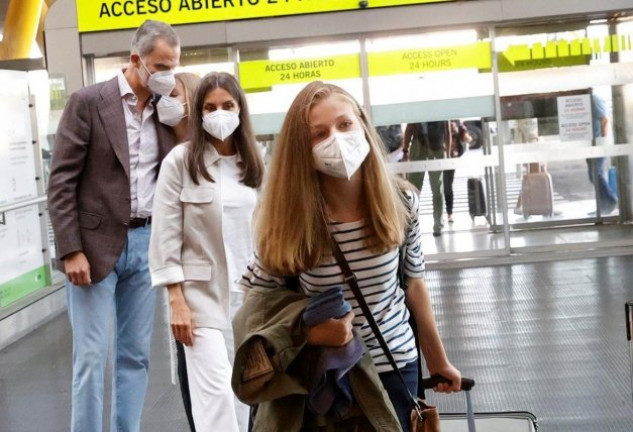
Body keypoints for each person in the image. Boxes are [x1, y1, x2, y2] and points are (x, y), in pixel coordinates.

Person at [234, 81, 461, 431]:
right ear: (302, 148)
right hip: (331, 377)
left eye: (344, 125)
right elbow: (255, 304)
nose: (336, 139)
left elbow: (414, 284)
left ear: (363, 126)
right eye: (319, 134)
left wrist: (438, 359)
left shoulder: (402, 203)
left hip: (397, 366)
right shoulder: (290, 221)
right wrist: (305, 334)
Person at [47, 20, 179, 432]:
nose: (167, 74)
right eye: (160, 66)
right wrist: (70, 249)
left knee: (135, 355)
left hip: (146, 242)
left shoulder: (166, 109)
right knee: (90, 356)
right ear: (135, 60)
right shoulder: (88, 101)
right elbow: (62, 181)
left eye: (173, 65)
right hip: (92, 246)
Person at [149, 72, 265, 432]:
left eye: (227, 106)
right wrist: (176, 301)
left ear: (240, 110)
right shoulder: (180, 162)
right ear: (198, 114)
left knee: (244, 397)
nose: (219, 113)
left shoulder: (256, 161)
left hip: (249, 298)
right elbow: (165, 235)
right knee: (214, 397)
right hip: (200, 299)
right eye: (210, 107)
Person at [156, 71, 201, 432]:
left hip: (227, 288)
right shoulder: (163, 152)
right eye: (164, 95)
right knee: (192, 379)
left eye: (175, 93)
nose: (168, 101)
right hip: (184, 287)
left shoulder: (221, 152)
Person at [403, 121, 449, 237]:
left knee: (437, 189)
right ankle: (412, 224)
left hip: (435, 147)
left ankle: (438, 225)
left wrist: (447, 153)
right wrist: (405, 149)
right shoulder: (417, 106)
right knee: (413, 190)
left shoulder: (439, 105)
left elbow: (447, 128)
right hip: (420, 145)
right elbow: (410, 126)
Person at [587, 93, 617, 214]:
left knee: (596, 173)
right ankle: (603, 205)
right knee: (593, 174)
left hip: (598, 142)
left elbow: (604, 119)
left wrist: (602, 140)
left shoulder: (594, 99)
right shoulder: (588, 99)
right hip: (592, 142)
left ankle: (609, 201)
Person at [443, 120, 471, 223]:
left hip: (450, 161)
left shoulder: (456, 123)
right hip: (440, 157)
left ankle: (449, 213)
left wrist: (459, 131)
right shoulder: (441, 122)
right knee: (443, 188)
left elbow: (468, 139)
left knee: (447, 187)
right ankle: (447, 213)